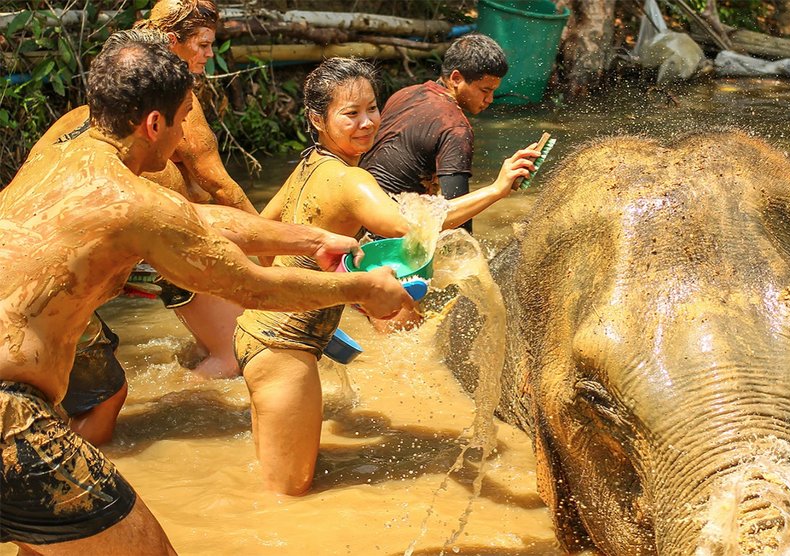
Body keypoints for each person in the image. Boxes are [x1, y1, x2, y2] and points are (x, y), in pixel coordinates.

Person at [0, 42, 413, 554]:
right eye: (182, 124)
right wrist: (364, 287)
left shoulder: (63, 154)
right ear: (154, 124)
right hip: (10, 421)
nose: (183, 142)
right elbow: (254, 289)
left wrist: (310, 239)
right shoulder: (137, 202)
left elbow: (199, 221)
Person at [237, 57, 539, 495]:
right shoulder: (351, 180)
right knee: (288, 498)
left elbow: (259, 235)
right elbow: (417, 226)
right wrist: (497, 189)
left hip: (257, 334)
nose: (367, 123)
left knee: (272, 483)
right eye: (350, 113)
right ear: (316, 119)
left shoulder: (309, 165)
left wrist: (289, 294)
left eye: (372, 109)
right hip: (286, 349)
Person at [30, 0, 250, 381]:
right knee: (232, 357)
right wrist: (270, 255)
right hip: (139, 237)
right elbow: (218, 184)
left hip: (67, 241)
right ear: (170, 41)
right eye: (201, 44)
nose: (209, 54)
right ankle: (182, 399)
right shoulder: (172, 97)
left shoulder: (110, 98)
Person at [360, 33, 511, 235]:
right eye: (485, 90)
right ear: (456, 78)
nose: (490, 99)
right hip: (388, 234)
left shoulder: (406, 93)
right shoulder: (455, 127)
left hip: (358, 216)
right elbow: (457, 218)